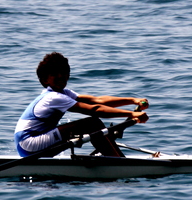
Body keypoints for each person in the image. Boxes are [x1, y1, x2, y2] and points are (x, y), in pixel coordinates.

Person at [14, 52, 149, 158]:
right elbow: (95, 110)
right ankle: (119, 162)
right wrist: (131, 114)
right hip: (29, 144)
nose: (61, 76)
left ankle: (117, 158)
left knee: (92, 126)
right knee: (92, 124)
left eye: (64, 72)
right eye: (55, 73)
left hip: (33, 142)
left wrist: (133, 100)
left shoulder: (64, 93)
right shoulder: (53, 98)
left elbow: (98, 101)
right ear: (45, 79)